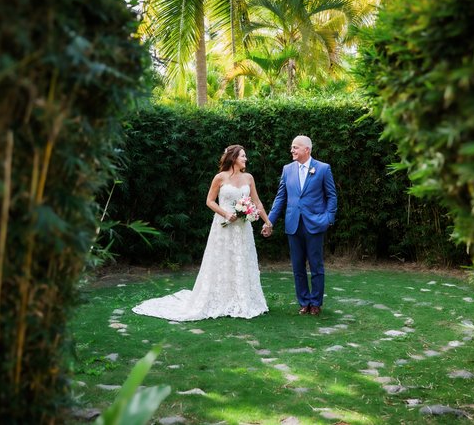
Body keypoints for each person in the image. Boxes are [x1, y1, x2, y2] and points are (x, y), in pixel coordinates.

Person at [132, 145, 270, 321]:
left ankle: (243, 299)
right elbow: (210, 201)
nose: (246, 159)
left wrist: (267, 221)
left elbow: (256, 202)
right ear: (233, 157)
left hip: (243, 229)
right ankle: (221, 299)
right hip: (224, 226)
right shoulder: (220, 177)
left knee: (242, 260)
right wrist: (226, 213)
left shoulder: (249, 178)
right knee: (222, 261)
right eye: (243, 156)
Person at [262, 136, 337, 316]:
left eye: (295, 147)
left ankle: (316, 302)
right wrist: (269, 221)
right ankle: (304, 302)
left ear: (307, 150)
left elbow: (332, 196)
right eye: (292, 147)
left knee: (316, 266)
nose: (292, 151)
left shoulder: (323, 168)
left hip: (315, 224)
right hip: (293, 224)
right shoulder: (287, 169)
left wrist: (328, 218)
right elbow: (281, 197)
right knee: (297, 267)